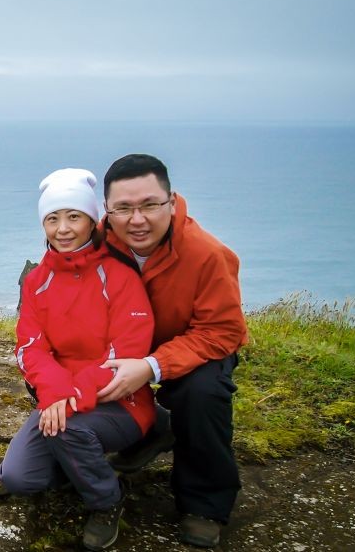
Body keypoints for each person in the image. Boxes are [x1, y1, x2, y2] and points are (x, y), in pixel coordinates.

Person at [0, 168, 156, 551]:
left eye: (73, 217)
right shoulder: (37, 281)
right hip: (60, 399)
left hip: (120, 400)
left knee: (67, 430)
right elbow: (30, 346)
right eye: (52, 218)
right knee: (18, 478)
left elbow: (127, 350)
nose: (63, 229)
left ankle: (107, 500)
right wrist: (55, 392)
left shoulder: (119, 275)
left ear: (90, 220)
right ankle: (79, 461)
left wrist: (70, 396)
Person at [96, 154, 248, 548]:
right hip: (118, 343)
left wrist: (151, 366)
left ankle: (204, 504)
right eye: (124, 209)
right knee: (61, 375)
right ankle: (148, 431)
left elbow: (224, 331)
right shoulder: (93, 246)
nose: (137, 219)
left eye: (149, 205)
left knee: (202, 394)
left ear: (171, 201)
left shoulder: (207, 254)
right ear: (107, 211)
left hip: (188, 348)